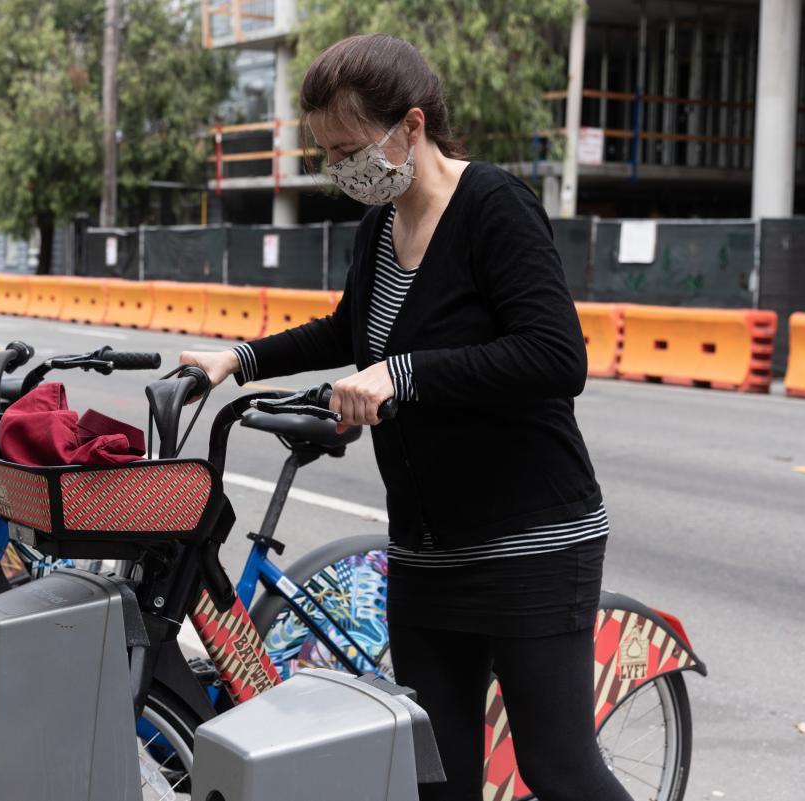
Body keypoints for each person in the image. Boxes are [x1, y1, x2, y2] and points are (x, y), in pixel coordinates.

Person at [179, 33, 632, 801]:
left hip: (530, 541)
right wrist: (237, 359)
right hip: (427, 549)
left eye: (351, 147)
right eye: (327, 151)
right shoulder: (380, 228)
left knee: (557, 768)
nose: (340, 167)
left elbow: (557, 358)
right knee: (437, 776)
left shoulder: (494, 207)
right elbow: (347, 330)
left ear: (412, 127)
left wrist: (402, 375)